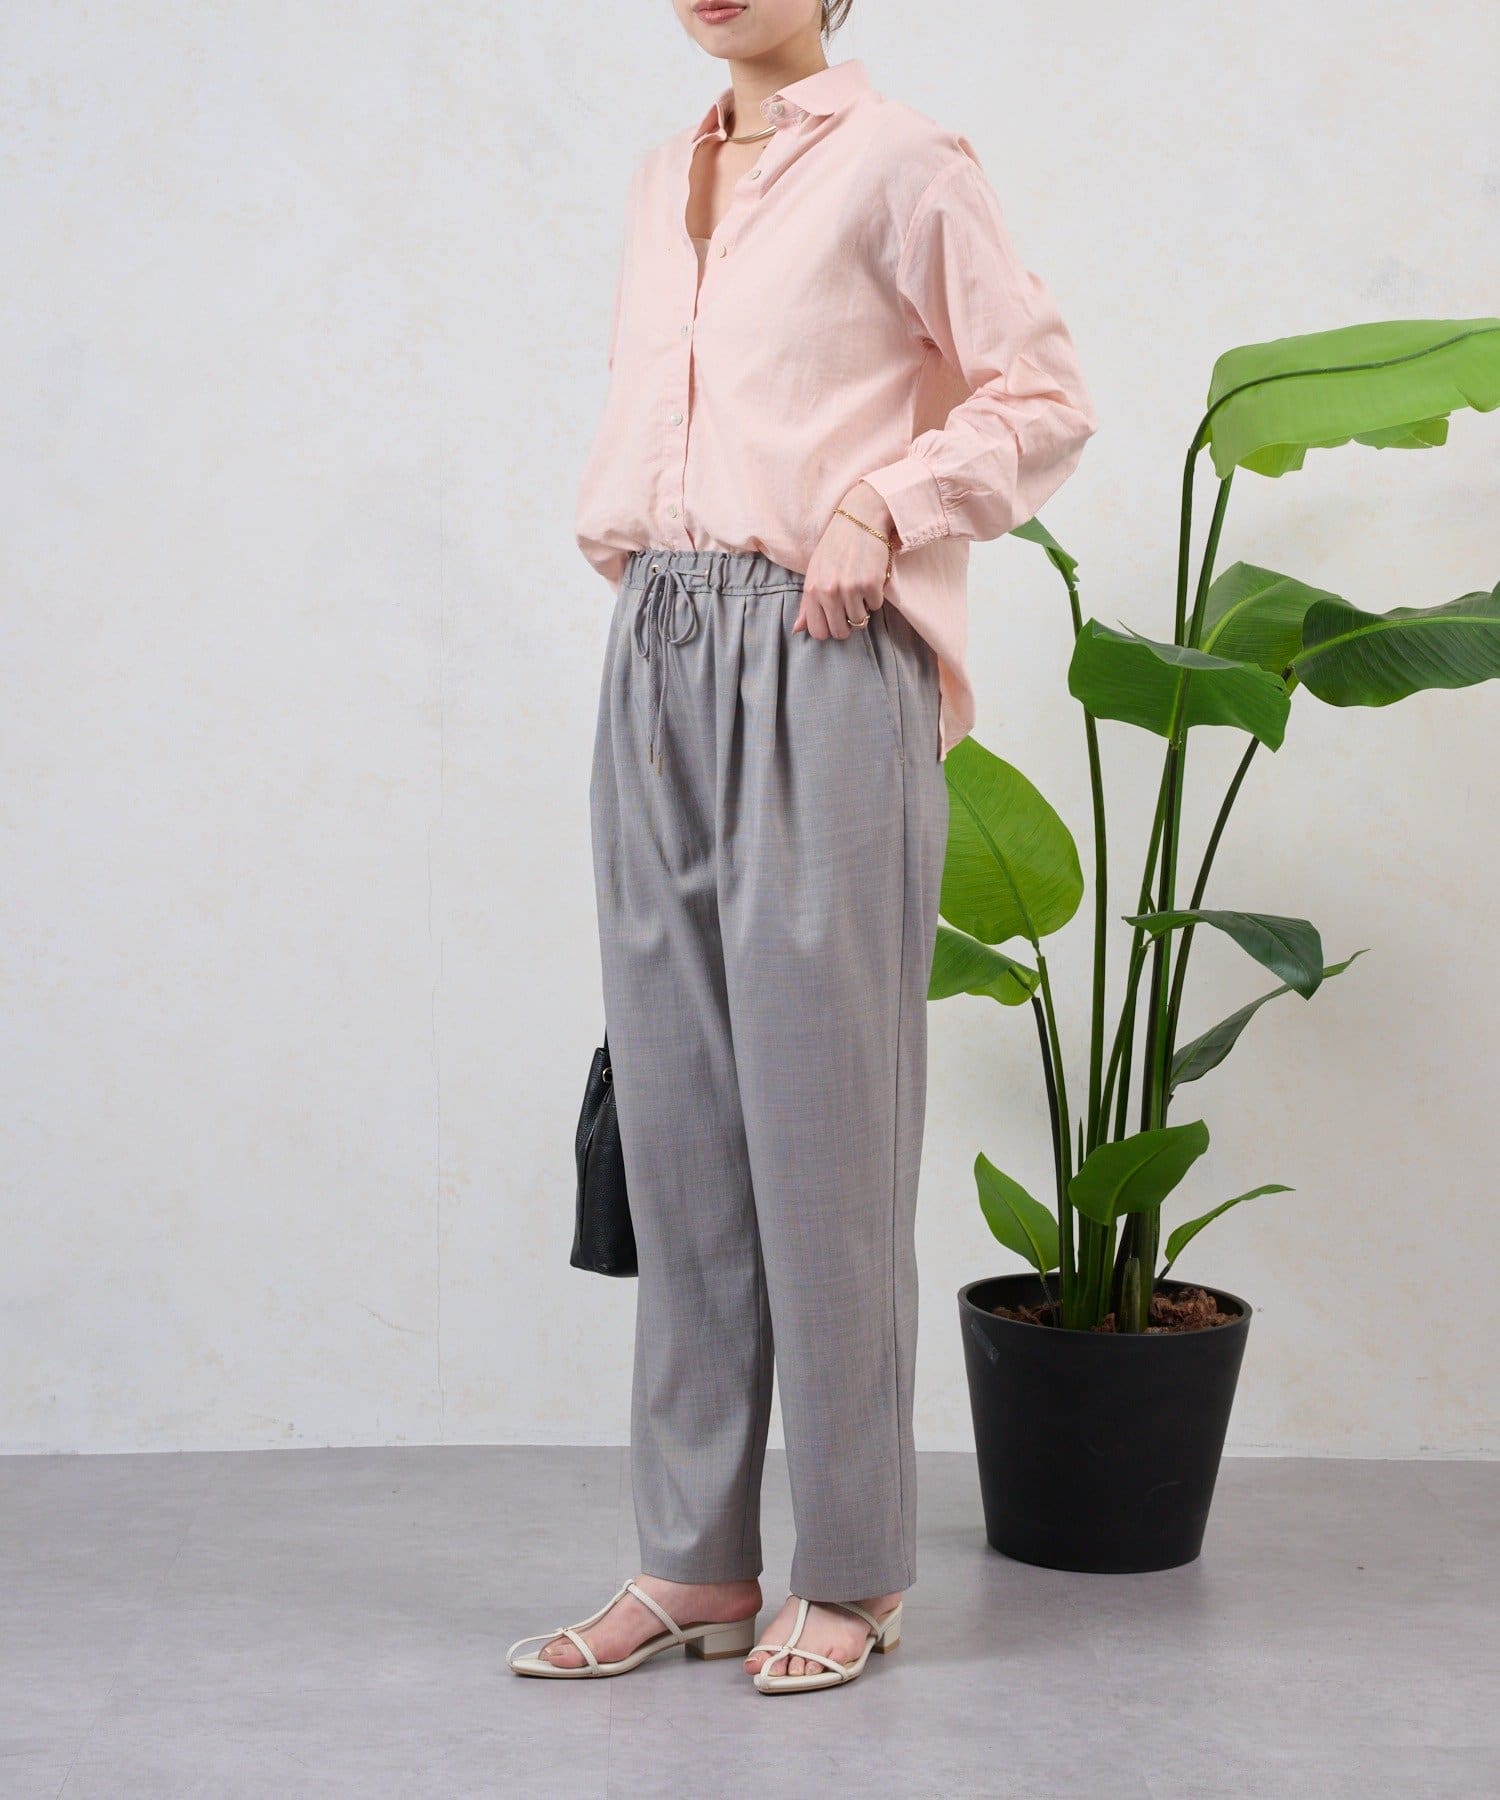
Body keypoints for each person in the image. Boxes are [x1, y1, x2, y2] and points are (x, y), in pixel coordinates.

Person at [509, 0, 1097, 1694]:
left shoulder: (906, 162)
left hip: (825, 650)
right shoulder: (662, 176)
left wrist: (882, 503)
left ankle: (852, 1570)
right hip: (660, 647)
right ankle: (692, 1562)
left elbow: (1045, 396)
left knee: (824, 1137)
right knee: (679, 1121)